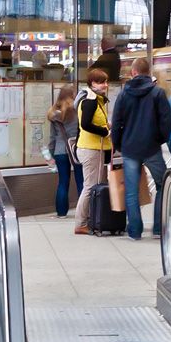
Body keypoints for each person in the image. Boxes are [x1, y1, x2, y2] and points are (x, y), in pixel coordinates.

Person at [110, 58, 171, 242]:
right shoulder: (158, 93)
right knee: (162, 185)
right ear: (148, 72)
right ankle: (158, 229)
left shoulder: (123, 94)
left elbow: (117, 123)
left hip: (129, 149)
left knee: (131, 190)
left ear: (133, 72)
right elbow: (166, 122)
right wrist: (159, 139)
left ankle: (135, 231)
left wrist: (119, 144)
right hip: (152, 148)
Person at [71, 67, 112, 235]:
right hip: (91, 149)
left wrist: (106, 126)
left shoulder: (97, 99)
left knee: (94, 186)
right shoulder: (90, 100)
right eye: (101, 82)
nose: (105, 85)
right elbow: (86, 124)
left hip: (96, 149)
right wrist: (104, 131)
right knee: (90, 186)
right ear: (92, 83)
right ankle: (81, 223)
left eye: (106, 82)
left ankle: (90, 219)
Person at [46, 85, 83, 217]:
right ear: (72, 95)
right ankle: (83, 211)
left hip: (60, 151)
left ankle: (61, 212)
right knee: (80, 180)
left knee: (63, 181)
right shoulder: (77, 110)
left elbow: (52, 137)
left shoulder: (54, 113)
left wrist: (51, 153)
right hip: (76, 148)